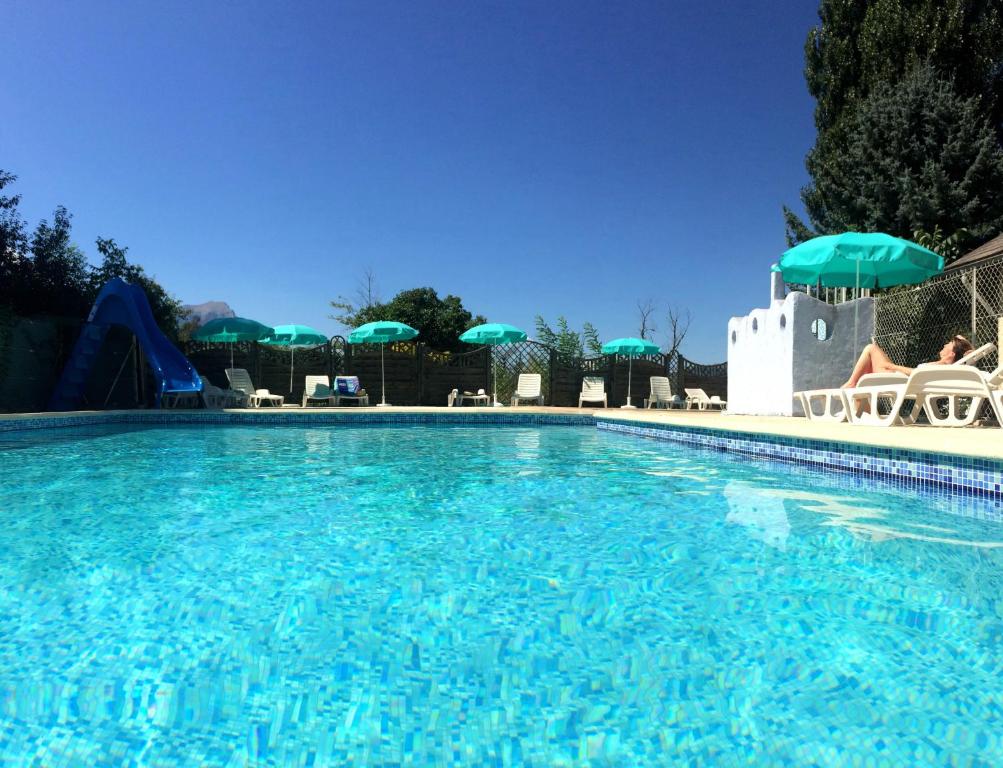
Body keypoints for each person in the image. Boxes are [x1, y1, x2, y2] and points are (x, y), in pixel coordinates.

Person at [842, 335, 973, 388]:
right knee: (868, 366)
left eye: (949, 344)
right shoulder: (945, 367)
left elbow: (916, 372)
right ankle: (864, 410)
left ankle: (850, 384)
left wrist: (892, 366)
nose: (944, 345)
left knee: (871, 348)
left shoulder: (942, 365)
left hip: (900, 379)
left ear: (952, 353)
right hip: (901, 378)